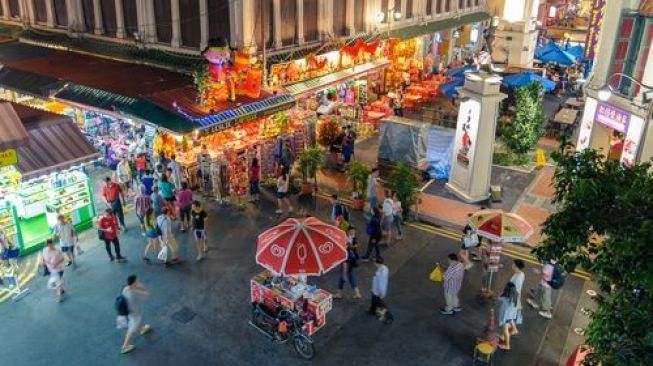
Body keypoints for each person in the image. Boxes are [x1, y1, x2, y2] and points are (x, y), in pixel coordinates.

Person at [120, 275, 152, 354]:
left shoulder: (126, 289)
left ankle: (142, 329)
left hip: (130, 312)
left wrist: (136, 287)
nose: (138, 282)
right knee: (132, 329)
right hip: (134, 313)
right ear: (133, 283)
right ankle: (125, 346)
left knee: (138, 320)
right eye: (137, 281)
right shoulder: (134, 293)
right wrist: (142, 286)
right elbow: (147, 294)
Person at [335, 226, 361, 299]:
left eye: (353, 231)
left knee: (343, 277)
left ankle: (339, 293)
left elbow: (354, 247)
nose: (352, 232)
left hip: (347, 262)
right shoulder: (346, 237)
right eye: (351, 231)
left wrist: (349, 245)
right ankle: (357, 293)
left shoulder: (354, 239)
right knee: (351, 277)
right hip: (347, 261)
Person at [497, 282, 520, 351]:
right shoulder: (516, 295)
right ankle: (504, 336)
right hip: (511, 315)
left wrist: (502, 292)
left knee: (505, 330)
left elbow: (498, 297)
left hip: (506, 317)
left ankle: (507, 345)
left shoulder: (505, 298)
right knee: (508, 326)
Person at [509, 259, 526, 334]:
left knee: (508, 315)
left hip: (513, 298)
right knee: (510, 314)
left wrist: (517, 301)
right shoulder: (520, 273)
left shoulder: (518, 276)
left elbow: (517, 290)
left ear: (516, 266)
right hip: (513, 297)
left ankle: (514, 329)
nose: (512, 265)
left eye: (513, 264)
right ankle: (509, 330)